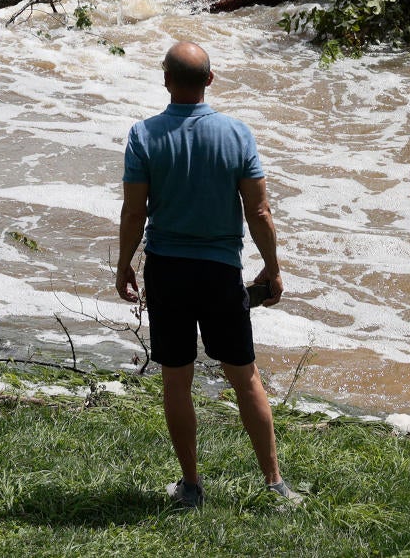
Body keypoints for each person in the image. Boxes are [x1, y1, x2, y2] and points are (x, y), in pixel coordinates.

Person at [115, 41, 299, 509]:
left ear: (165, 80)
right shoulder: (237, 134)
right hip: (220, 273)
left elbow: (134, 212)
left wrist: (123, 265)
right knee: (246, 378)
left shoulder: (143, 136)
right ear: (210, 80)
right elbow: (258, 210)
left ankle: (192, 486)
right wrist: (273, 269)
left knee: (176, 381)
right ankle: (275, 483)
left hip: (168, 272)